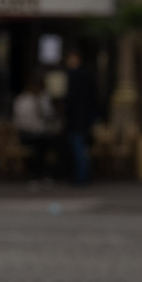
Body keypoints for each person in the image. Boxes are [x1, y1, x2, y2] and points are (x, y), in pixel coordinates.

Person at [13, 72, 58, 185]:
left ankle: (45, 173)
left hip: (41, 132)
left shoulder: (44, 98)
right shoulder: (22, 100)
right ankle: (36, 174)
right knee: (38, 145)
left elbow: (50, 114)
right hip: (27, 132)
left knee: (48, 143)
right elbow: (20, 120)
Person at [63, 50, 99, 185]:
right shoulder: (85, 75)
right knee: (81, 149)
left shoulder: (77, 76)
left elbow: (73, 101)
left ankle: (81, 177)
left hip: (78, 120)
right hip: (82, 119)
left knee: (79, 149)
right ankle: (82, 176)